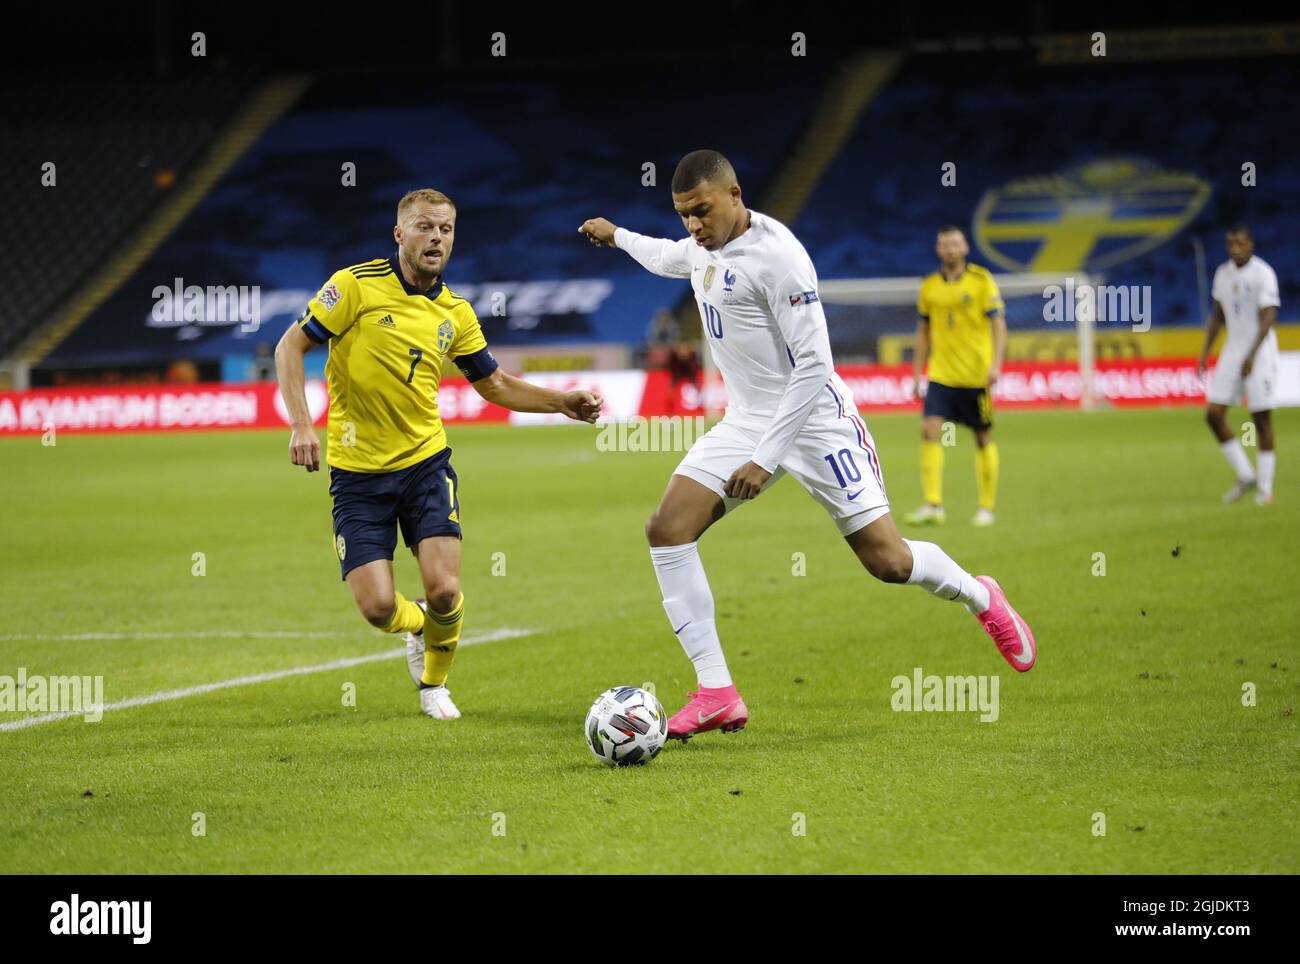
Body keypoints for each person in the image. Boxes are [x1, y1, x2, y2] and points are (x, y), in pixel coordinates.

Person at [579, 150, 1036, 742]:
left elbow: (815, 364)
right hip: (746, 421)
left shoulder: (779, 258)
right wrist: (617, 236)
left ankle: (981, 595)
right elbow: (670, 257)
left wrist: (765, 458)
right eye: (684, 215)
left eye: (702, 211)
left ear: (735, 195)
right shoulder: (702, 247)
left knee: (888, 562)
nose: (693, 226)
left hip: (817, 421)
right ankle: (717, 690)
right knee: (667, 529)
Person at [276, 188, 602, 719]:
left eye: (446, 229)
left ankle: (433, 685)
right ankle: (418, 627)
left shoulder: (455, 312)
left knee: (446, 590)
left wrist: (560, 401)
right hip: (357, 475)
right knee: (379, 608)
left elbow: (493, 384)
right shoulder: (355, 287)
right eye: (425, 227)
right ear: (399, 234)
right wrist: (300, 425)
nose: (437, 238)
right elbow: (290, 345)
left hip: (425, 465)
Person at [906, 226, 1006, 527]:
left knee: (982, 437)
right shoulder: (929, 286)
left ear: (965, 248)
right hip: (941, 375)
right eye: (944, 244)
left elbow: (998, 323)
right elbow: (923, 332)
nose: (950, 249)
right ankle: (933, 504)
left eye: (955, 244)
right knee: (929, 430)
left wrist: (996, 364)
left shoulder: (981, 280)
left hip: (976, 376)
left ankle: (986, 507)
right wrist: (916, 374)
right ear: (938, 249)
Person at [1199, 224, 1280, 505]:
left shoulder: (1263, 273)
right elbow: (1217, 316)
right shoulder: (1223, 273)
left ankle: (1265, 488)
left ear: (1251, 244)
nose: (1235, 249)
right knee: (1213, 414)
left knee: (1261, 420)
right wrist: (1204, 352)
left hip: (1260, 352)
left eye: (1240, 244)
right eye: (1231, 244)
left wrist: (1252, 355)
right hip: (1232, 352)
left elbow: (1269, 316)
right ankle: (1246, 475)